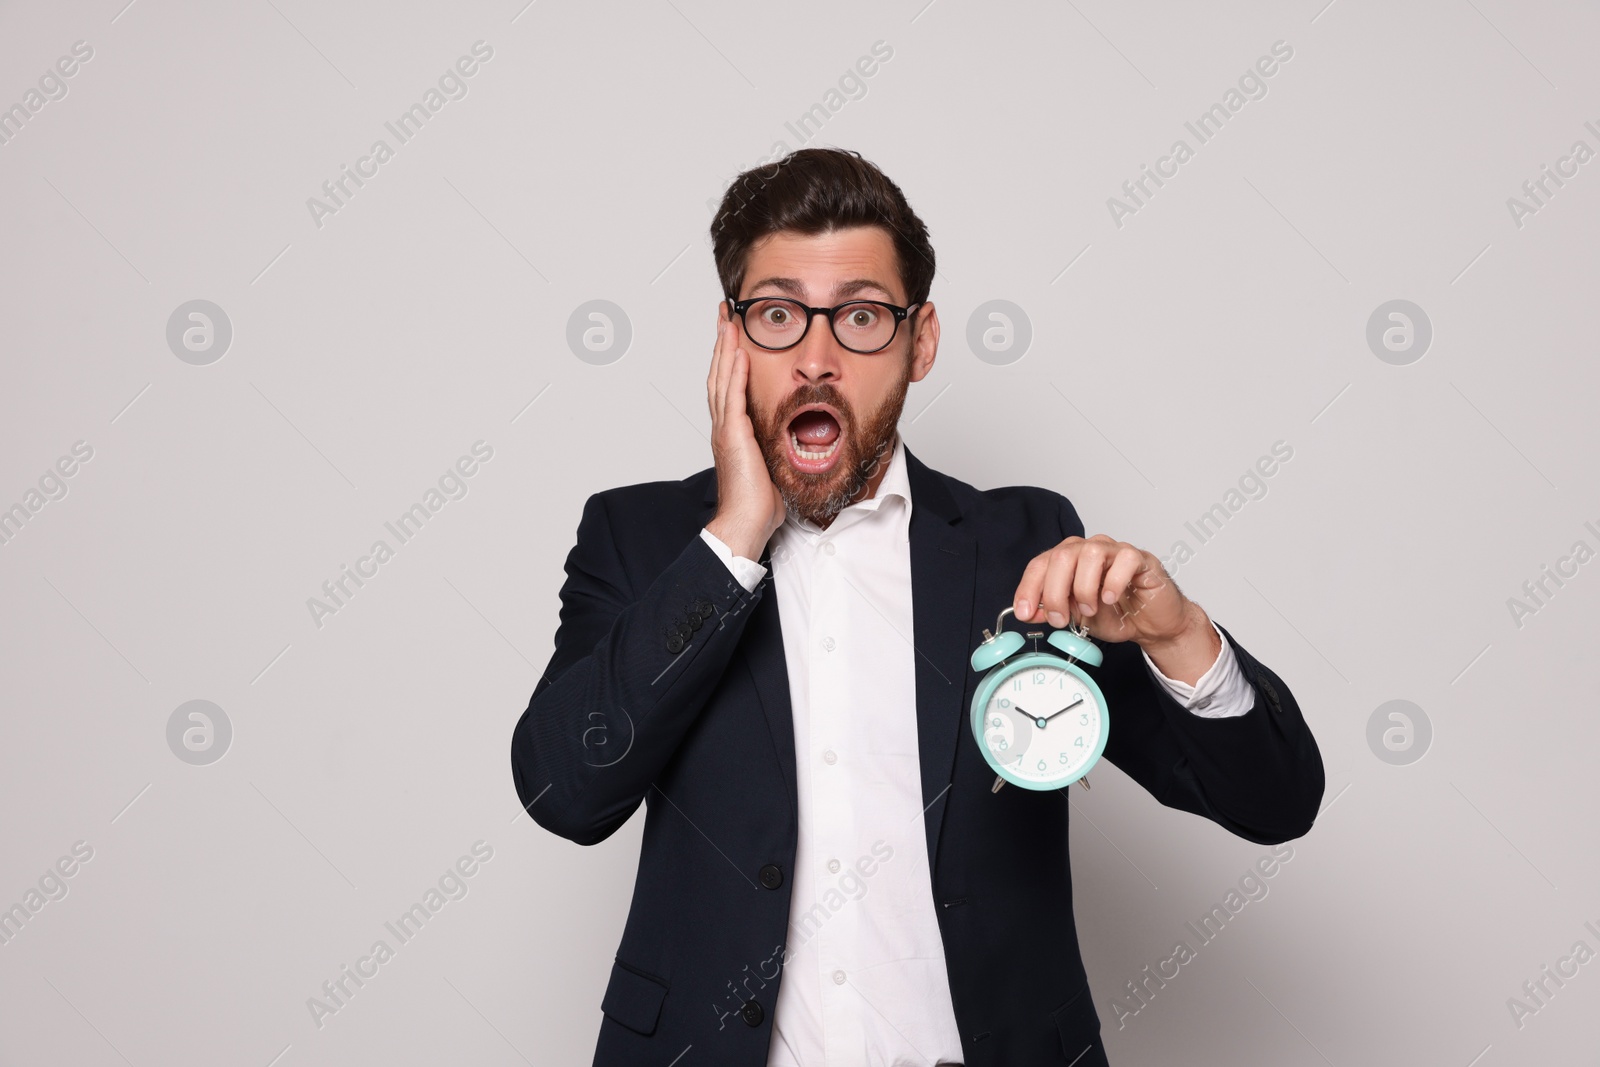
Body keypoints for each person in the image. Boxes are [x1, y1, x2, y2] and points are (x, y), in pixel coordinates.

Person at [510, 147, 1324, 1066]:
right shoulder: (638, 537)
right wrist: (734, 535)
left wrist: (1178, 633)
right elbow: (562, 792)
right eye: (778, 315)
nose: (817, 360)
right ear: (731, 339)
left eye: (860, 317)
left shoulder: (1026, 544)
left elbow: (1275, 802)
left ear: (919, 340)